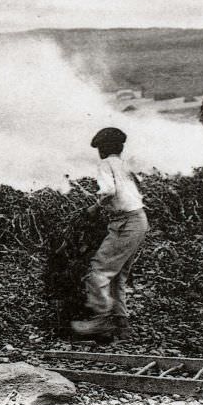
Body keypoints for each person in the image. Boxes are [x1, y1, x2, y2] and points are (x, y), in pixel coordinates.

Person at [71, 127, 150, 339]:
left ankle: (101, 321)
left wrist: (94, 208)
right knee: (118, 275)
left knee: (98, 270)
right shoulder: (123, 165)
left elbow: (108, 191)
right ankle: (122, 324)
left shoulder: (105, 165)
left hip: (126, 223)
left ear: (103, 150)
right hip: (139, 220)